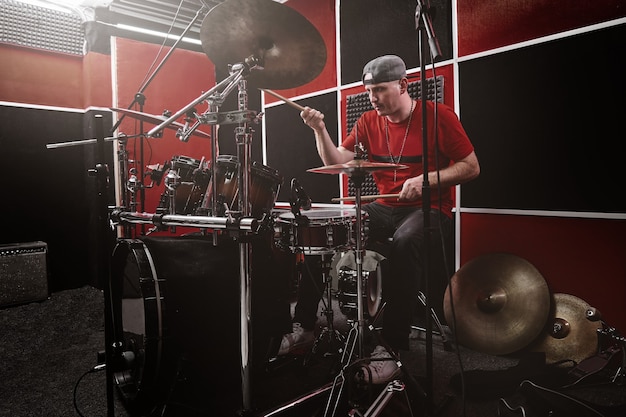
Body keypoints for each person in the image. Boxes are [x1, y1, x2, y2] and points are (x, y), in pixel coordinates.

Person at [279, 54, 480, 384]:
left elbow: (471, 167)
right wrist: (320, 130)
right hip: (383, 207)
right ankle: (306, 327)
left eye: (381, 89)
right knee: (325, 231)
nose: (373, 98)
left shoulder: (437, 116)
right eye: (369, 91)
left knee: (404, 242)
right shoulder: (368, 122)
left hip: (430, 209)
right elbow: (337, 161)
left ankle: (392, 349)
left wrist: (428, 180)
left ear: (403, 85)